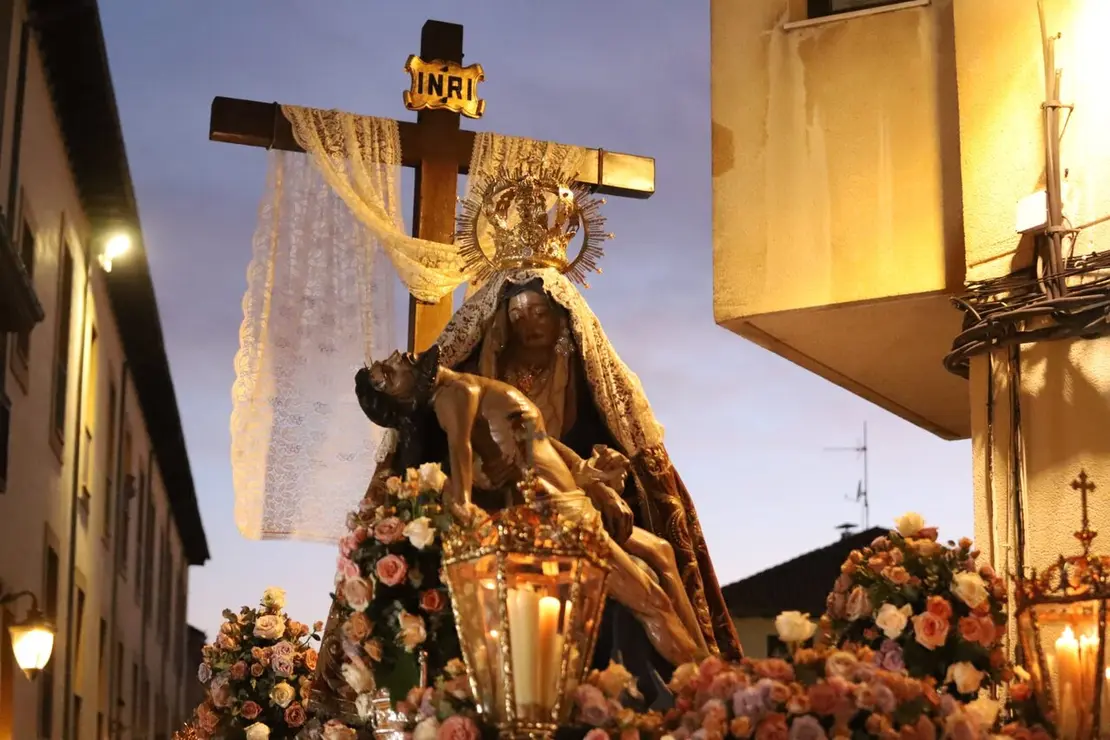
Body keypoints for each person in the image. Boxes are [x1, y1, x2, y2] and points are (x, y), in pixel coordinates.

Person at [356, 346, 707, 668]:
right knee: (651, 603)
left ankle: (710, 663)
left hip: (569, 501)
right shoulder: (455, 395)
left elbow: (539, 442)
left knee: (659, 551)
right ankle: (702, 684)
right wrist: (463, 506)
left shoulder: (468, 388)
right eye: (386, 374)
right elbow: (459, 450)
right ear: (403, 398)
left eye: (385, 361)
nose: (396, 357)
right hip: (557, 514)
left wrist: (589, 476)